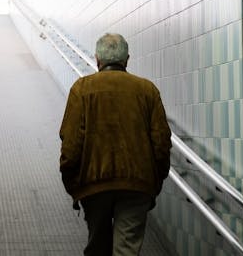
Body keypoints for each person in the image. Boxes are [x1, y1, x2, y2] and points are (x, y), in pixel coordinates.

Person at [59, 33, 172, 256]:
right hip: (137, 185)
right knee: (127, 250)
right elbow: (161, 142)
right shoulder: (147, 90)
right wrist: (155, 180)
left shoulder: (81, 89)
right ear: (127, 60)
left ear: (97, 60)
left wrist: (72, 182)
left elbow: (70, 144)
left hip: (93, 185)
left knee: (98, 247)